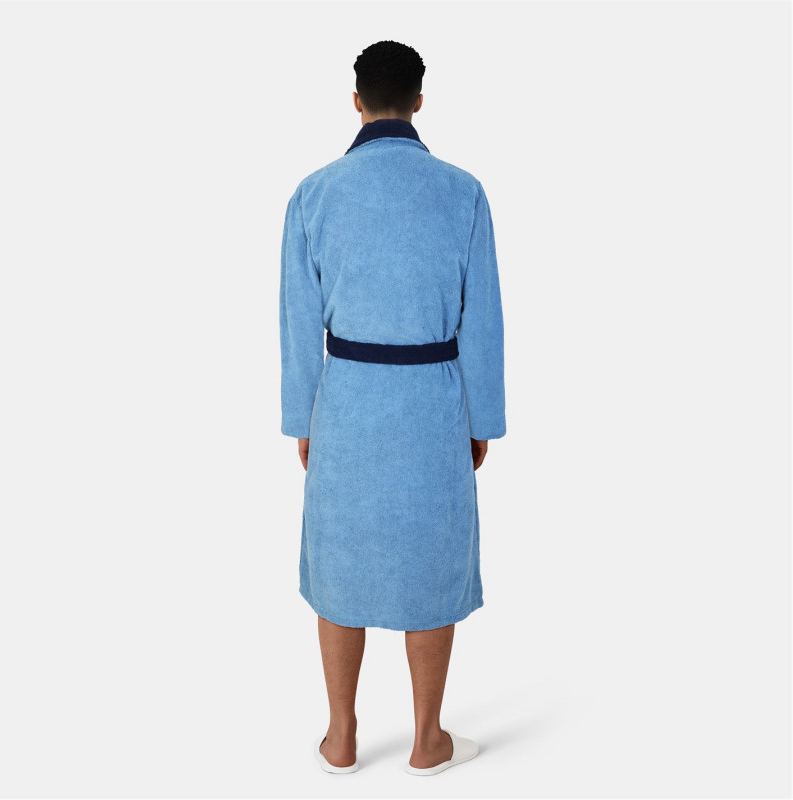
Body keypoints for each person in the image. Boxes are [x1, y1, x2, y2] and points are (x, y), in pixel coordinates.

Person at [279, 40, 506, 776]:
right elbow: (483, 319)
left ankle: (341, 736)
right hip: (433, 401)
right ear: (419, 100)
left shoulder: (313, 194)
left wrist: (303, 419)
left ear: (356, 101)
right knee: (431, 563)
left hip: (345, 400)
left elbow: (297, 321)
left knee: (339, 562)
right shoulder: (462, 192)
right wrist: (481, 420)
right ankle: (427, 739)